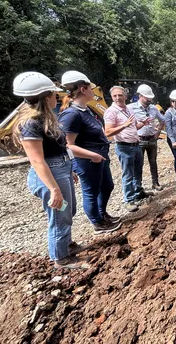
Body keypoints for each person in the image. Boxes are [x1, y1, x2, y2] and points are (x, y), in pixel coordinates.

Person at [12, 71, 88, 268]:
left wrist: (69, 169)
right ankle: (61, 258)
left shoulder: (47, 118)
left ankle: (67, 244)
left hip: (61, 169)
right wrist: (53, 189)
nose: (58, 97)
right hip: (49, 174)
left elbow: (58, 148)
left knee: (68, 210)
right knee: (59, 215)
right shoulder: (30, 124)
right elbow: (37, 161)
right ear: (46, 97)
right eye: (55, 95)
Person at [58, 71, 121, 234]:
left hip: (100, 157)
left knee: (107, 186)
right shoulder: (71, 115)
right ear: (83, 89)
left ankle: (102, 214)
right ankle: (98, 223)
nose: (94, 91)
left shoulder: (86, 110)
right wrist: (92, 155)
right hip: (87, 162)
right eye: (91, 88)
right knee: (91, 192)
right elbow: (68, 145)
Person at [103, 86, 150, 217]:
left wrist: (144, 123)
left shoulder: (129, 109)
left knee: (138, 171)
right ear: (112, 97)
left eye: (120, 95)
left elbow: (134, 125)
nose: (118, 98)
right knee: (128, 174)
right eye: (115, 96)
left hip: (136, 145)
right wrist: (123, 125)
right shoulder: (111, 112)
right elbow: (108, 132)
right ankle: (128, 200)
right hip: (124, 147)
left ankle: (138, 192)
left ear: (125, 96)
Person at [131, 84, 166, 191]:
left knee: (153, 162)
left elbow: (162, 120)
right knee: (138, 164)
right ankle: (138, 186)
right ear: (140, 95)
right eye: (147, 97)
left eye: (150, 97)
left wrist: (158, 133)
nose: (150, 99)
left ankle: (155, 183)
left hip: (152, 140)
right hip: (139, 140)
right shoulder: (131, 108)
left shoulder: (154, 108)